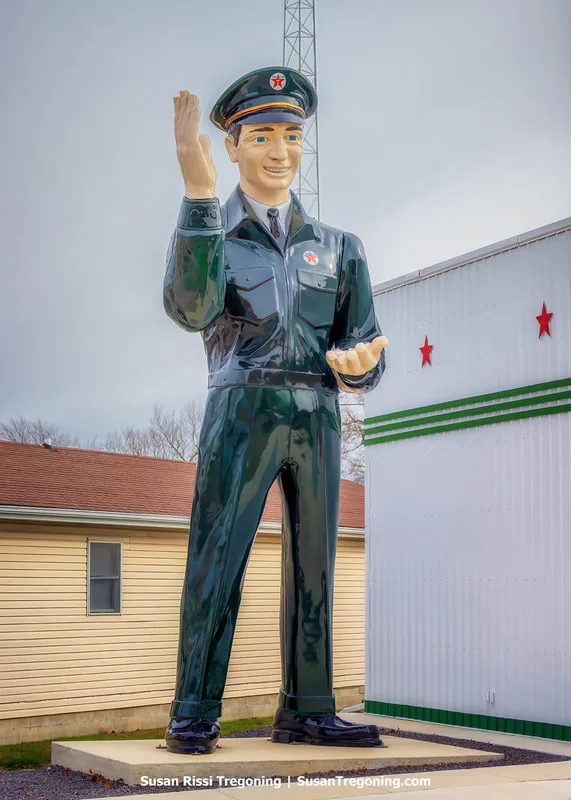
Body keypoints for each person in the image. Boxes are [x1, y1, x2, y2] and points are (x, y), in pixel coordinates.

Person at [163, 66, 388, 754]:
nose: (279, 151)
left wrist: (364, 365)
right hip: (242, 407)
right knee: (217, 556)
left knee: (314, 563)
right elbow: (189, 308)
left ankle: (309, 709)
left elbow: (362, 337)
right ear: (231, 146)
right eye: (261, 135)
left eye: (291, 135)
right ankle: (195, 710)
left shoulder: (339, 246)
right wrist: (198, 195)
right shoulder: (214, 235)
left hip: (316, 414)